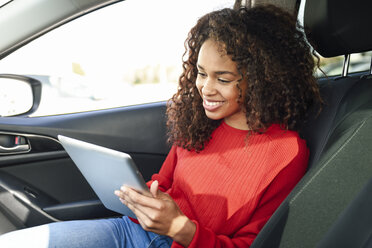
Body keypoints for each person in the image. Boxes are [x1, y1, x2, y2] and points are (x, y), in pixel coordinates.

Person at [0, 4, 322, 248]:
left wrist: (179, 228)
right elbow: (162, 182)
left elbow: (253, 244)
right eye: (200, 72)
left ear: (263, 81)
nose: (205, 88)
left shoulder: (286, 153)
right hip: (134, 231)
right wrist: (145, 198)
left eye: (223, 79)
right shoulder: (199, 123)